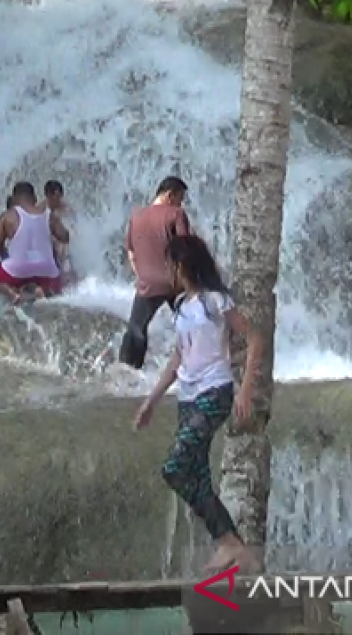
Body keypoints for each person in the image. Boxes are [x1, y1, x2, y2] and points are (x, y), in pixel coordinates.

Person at [133, 235, 261, 574]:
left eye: (170, 264)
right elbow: (178, 358)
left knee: (174, 468)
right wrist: (151, 400)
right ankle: (237, 553)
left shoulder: (215, 301)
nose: (167, 270)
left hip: (215, 390)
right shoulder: (180, 307)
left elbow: (254, 337)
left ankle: (230, 543)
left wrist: (245, 388)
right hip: (187, 397)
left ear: (182, 265)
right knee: (198, 477)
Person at [120, 177, 192, 370]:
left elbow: (131, 253)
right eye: (180, 198)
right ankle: (195, 366)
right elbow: (184, 250)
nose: (180, 203)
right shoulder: (176, 214)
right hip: (175, 283)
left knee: (136, 329)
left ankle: (128, 371)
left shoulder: (136, 216)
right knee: (193, 323)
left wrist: (142, 275)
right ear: (170, 195)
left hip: (148, 284)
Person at [0, 182, 69, 303]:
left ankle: (12, 294)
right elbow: (65, 237)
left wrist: (5, 255)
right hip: (47, 272)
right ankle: (43, 290)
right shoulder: (49, 215)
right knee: (48, 268)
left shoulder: (8, 216)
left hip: (19, 269)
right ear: (34, 198)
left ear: (14, 198)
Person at [42, 179, 78, 286]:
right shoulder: (42, 209)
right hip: (48, 241)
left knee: (66, 249)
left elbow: (74, 226)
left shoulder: (66, 208)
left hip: (62, 239)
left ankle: (70, 280)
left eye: (60, 196)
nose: (58, 200)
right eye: (55, 197)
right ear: (48, 196)